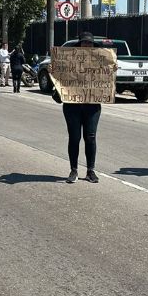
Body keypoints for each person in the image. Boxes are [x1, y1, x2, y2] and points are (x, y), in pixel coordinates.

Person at [53, 32, 102, 184]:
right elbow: (59, 85)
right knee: (74, 138)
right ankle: (73, 170)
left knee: (91, 137)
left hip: (92, 107)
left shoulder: (100, 63)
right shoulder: (68, 62)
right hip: (72, 106)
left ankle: (90, 171)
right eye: (85, 43)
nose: (87, 46)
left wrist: (112, 71)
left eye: (90, 44)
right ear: (79, 44)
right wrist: (53, 71)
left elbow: (107, 83)